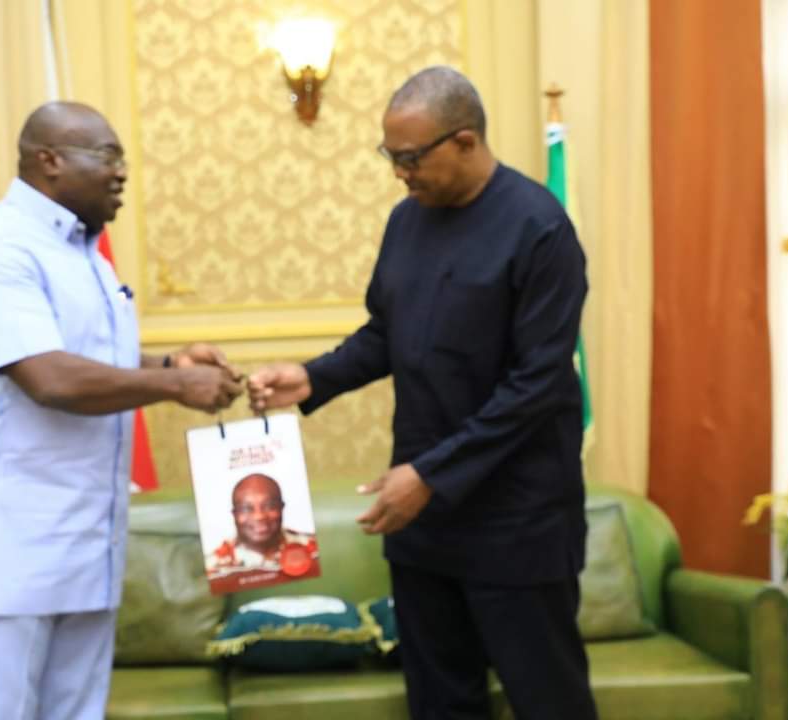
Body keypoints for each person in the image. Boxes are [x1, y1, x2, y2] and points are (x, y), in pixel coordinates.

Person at [248, 67, 597, 720]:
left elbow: (537, 385)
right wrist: (314, 376)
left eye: (410, 157)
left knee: (548, 700)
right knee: (439, 701)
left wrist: (432, 475)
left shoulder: (539, 229)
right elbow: (390, 333)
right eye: (392, 156)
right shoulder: (408, 221)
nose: (399, 173)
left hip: (518, 518)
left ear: (465, 141)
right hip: (422, 517)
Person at [0, 101, 242, 720]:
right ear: (50, 161)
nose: (122, 172)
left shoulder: (85, 257)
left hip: (85, 539)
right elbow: (48, 377)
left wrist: (170, 366)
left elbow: (95, 355)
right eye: (107, 156)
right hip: (7, 546)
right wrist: (176, 390)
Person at [205, 473, 317, 573]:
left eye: (269, 506)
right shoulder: (212, 567)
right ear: (234, 515)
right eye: (246, 509)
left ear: (281, 508)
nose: (259, 516)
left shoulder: (314, 550)